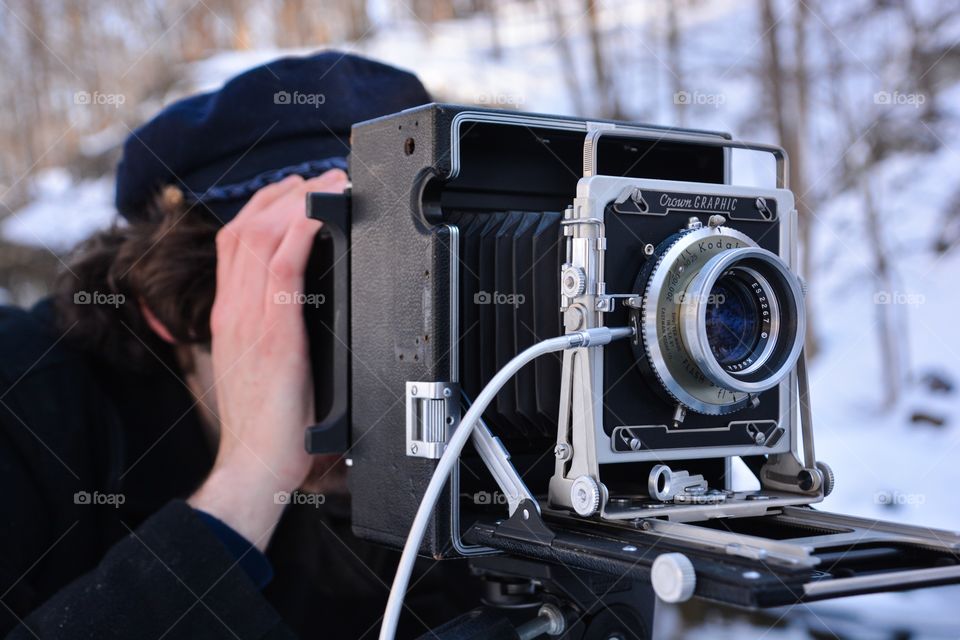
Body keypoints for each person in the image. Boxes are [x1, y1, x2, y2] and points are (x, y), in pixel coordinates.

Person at [0, 51, 472, 639]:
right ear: (172, 306)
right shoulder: (22, 403)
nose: (378, 370)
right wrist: (246, 485)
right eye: (327, 305)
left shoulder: (444, 439)